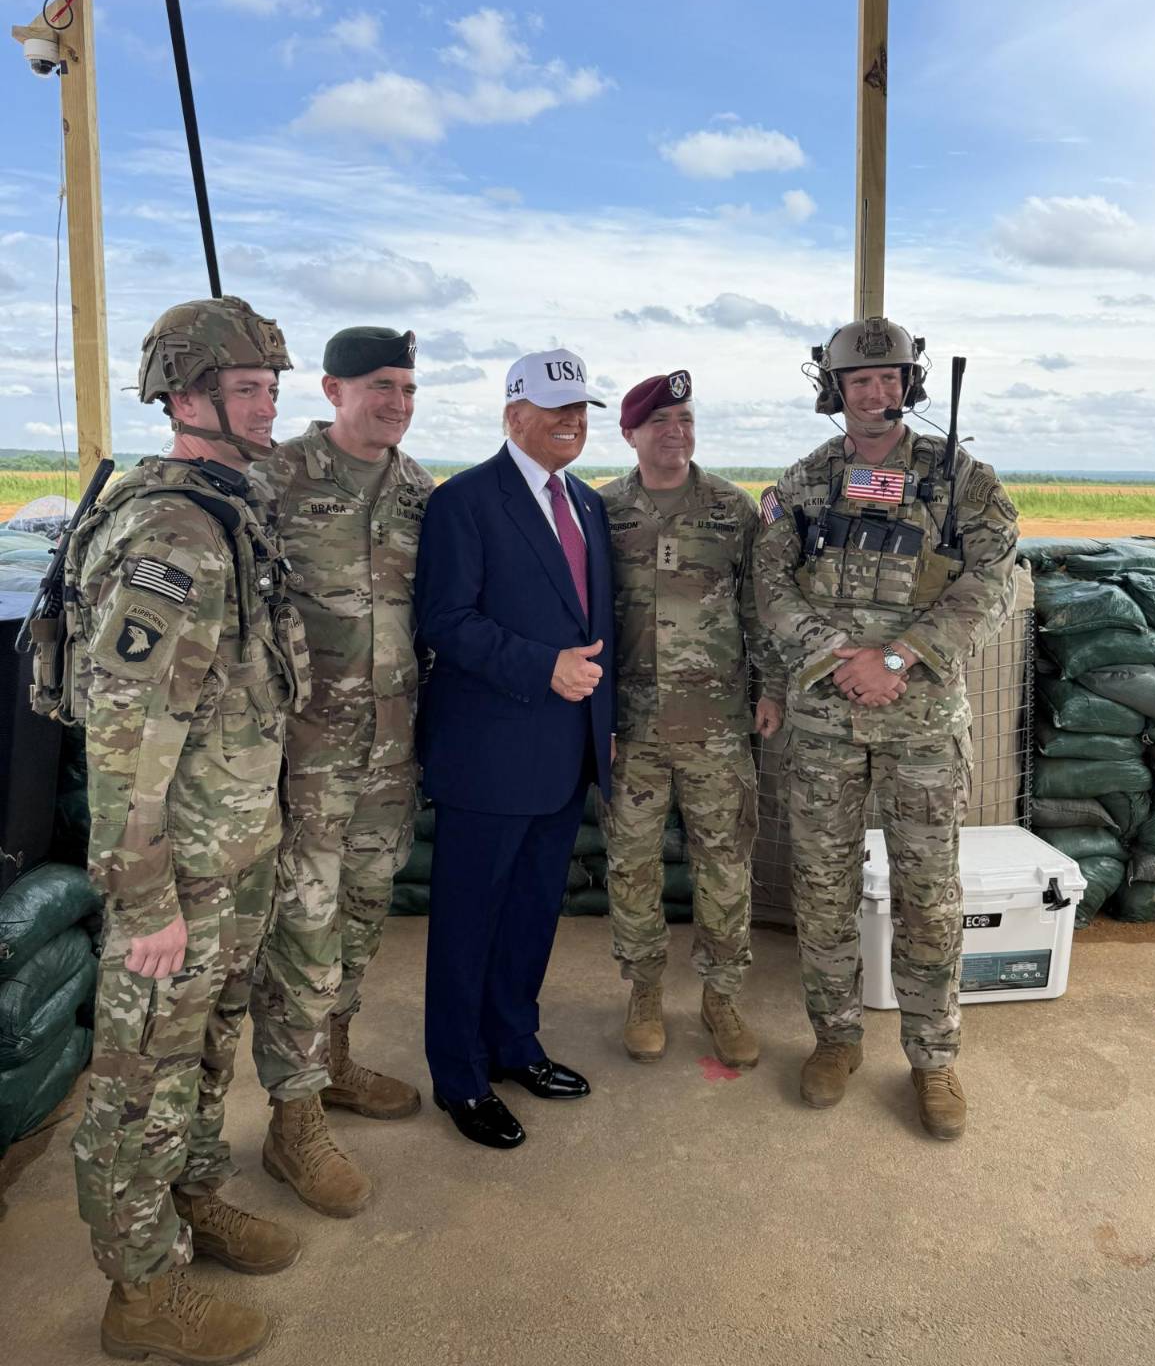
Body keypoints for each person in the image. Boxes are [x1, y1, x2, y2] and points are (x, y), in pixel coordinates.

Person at [64, 296, 305, 1363]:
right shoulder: (171, 531)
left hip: (235, 848)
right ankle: (140, 1293)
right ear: (183, 396)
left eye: (270, 386)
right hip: (180, 873)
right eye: (247, 387)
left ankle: (193, 1201)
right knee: (142, 1077)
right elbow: (121, 730)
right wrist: (146, 895)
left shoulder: (229, 507)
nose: (267, 405)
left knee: (205, 1054)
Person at [754, 317, 1017, 1140]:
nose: (876, 393)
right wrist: (837, 655)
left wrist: (898, 657)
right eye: (859, 381)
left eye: (890, 378)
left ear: (912, 383)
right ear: (833, 390)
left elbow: (994, 580)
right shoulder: (803, 482)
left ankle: (933, 1058)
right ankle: (836, 1039)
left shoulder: (961, 478)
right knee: (824, 891)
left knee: (929, 897)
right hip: (826, 721)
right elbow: (770, 584)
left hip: (923, 725)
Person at [250, 326, 433, 1217]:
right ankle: (291, 1123)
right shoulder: (273, 481)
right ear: (332, 390)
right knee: (302, 931)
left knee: (362, 912)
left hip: (390, 753)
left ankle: (333, 1062)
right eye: (379, 387)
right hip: (304, 758)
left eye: (406, 386)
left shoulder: (419, 492)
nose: (396, 402)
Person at [414, 348, 615, 1149]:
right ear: (512, 415)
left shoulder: (589, 506)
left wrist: (605, 723)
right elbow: (445, 620)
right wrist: (543, 667)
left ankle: (513, 1044)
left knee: (533, 912)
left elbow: (601, 626)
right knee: (469, 920)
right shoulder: (464, 502)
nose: (573, 422)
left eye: (581, 409)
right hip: (490, 754)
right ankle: (459, 1076)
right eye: (555, 408)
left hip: (566, 753)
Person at [600, 370, 784, 1067]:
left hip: (716, 724)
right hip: (633, 728)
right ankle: (645, 989)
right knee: (633, 865)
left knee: (725, 863)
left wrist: (767, 691)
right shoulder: (604, 511)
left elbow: (756, 610)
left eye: (685, 420)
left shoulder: (731, 510)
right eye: (660, 423)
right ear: (631, 435)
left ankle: (722, 994)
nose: (676, 433)